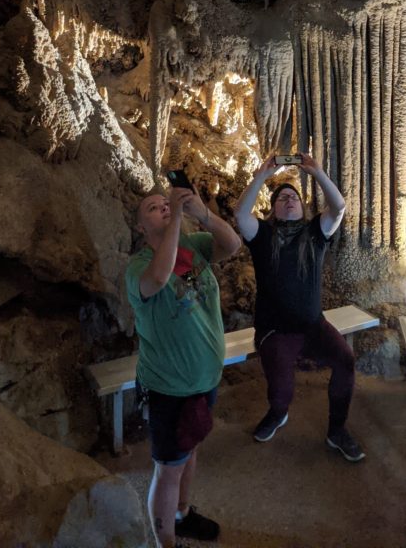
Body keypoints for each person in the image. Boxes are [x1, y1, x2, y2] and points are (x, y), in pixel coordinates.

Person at [126, 183, 241, 548]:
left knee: (190, 449)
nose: (162, 207)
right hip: (169, 388)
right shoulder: (139, 267)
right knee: (168, 468)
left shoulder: (193, 248)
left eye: (165, 203)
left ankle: (181, 514)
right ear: (141, 229)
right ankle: (166, 543)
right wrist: (177, 215)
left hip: (203, 380)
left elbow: (233, 245)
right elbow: (159, 279)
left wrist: (202, 214)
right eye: (153, 208)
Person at [234, 153, 365, 463]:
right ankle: (278, 413)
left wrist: (317, 172)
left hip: (313, 325)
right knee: (282, 390)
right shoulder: (263, 236)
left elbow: (339, 207)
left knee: (345, 360)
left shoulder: (315, 234)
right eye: (281, 199)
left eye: (293, 197)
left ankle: (337, 430)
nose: (288, 200)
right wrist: (262, 176)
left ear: (303, 207)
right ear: (273, 209)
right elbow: (241, 215)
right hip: (275, 329)